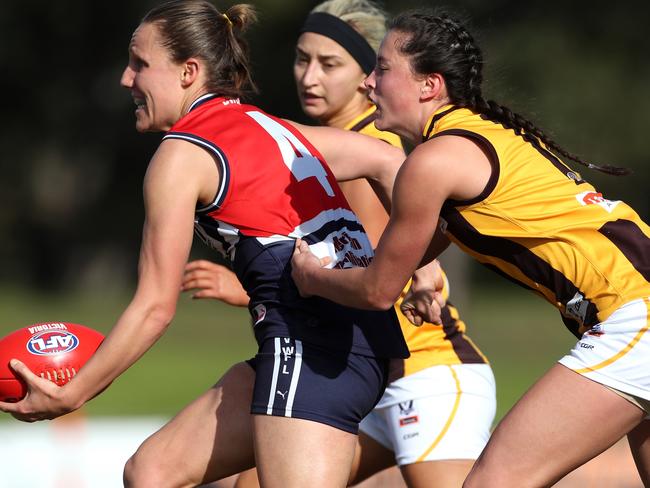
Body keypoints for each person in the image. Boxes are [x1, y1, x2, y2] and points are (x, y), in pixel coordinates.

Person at [0, 2, 422, 487]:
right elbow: (389, 163)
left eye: (140, 63)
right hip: (345, 346)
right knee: (151, 472)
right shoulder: (264, 126)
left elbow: (155, 308)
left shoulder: (182, 155)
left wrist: (71, 395)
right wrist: (420, 262)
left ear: (189, 72)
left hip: (312, 350)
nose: (126, 79)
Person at [291, 7, 650, 487]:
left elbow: (378, 291)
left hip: (637, 318)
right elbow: (441, 234)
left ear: (428, 86)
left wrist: (310, 277)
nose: (369, 83)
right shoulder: (482, 135)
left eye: (382, 69)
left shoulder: (435, 159)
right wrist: (416, 269)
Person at [182, 2, 496, 488]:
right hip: (364, 372)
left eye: (330, 64)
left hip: (425, 371)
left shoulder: (373, 150)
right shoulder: (320, 144)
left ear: (371, 74)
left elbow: (374, 276)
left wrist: (247, 287)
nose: (310, 77)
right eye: (302, 59)